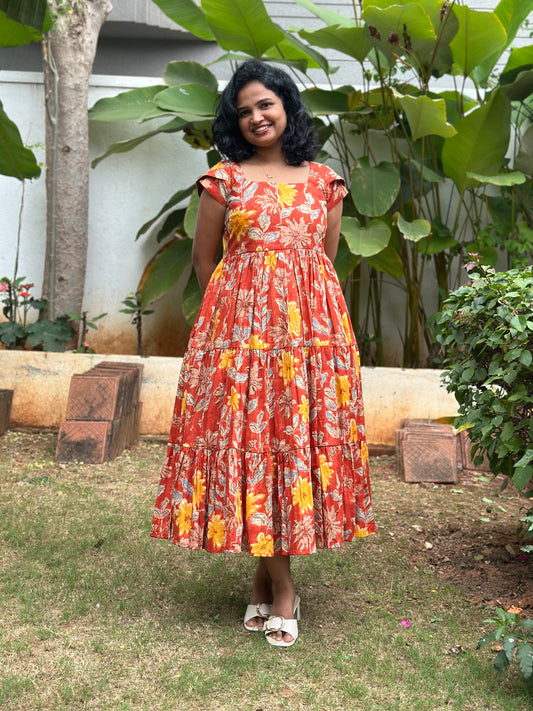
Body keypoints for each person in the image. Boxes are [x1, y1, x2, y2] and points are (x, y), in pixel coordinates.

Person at [151, 59, 376, 648]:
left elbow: (322, 261)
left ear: (287, 107)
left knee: (288, 444)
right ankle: (284, 589)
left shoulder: (325, 182)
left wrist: (297, 316)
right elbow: (205, 262)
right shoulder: (223, 181)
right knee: (254, 442)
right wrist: (237, 320)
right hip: (241, 339)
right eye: (244, 110)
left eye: (266, 104)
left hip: (309, 340)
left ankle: (266, 579)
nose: (256, 117)